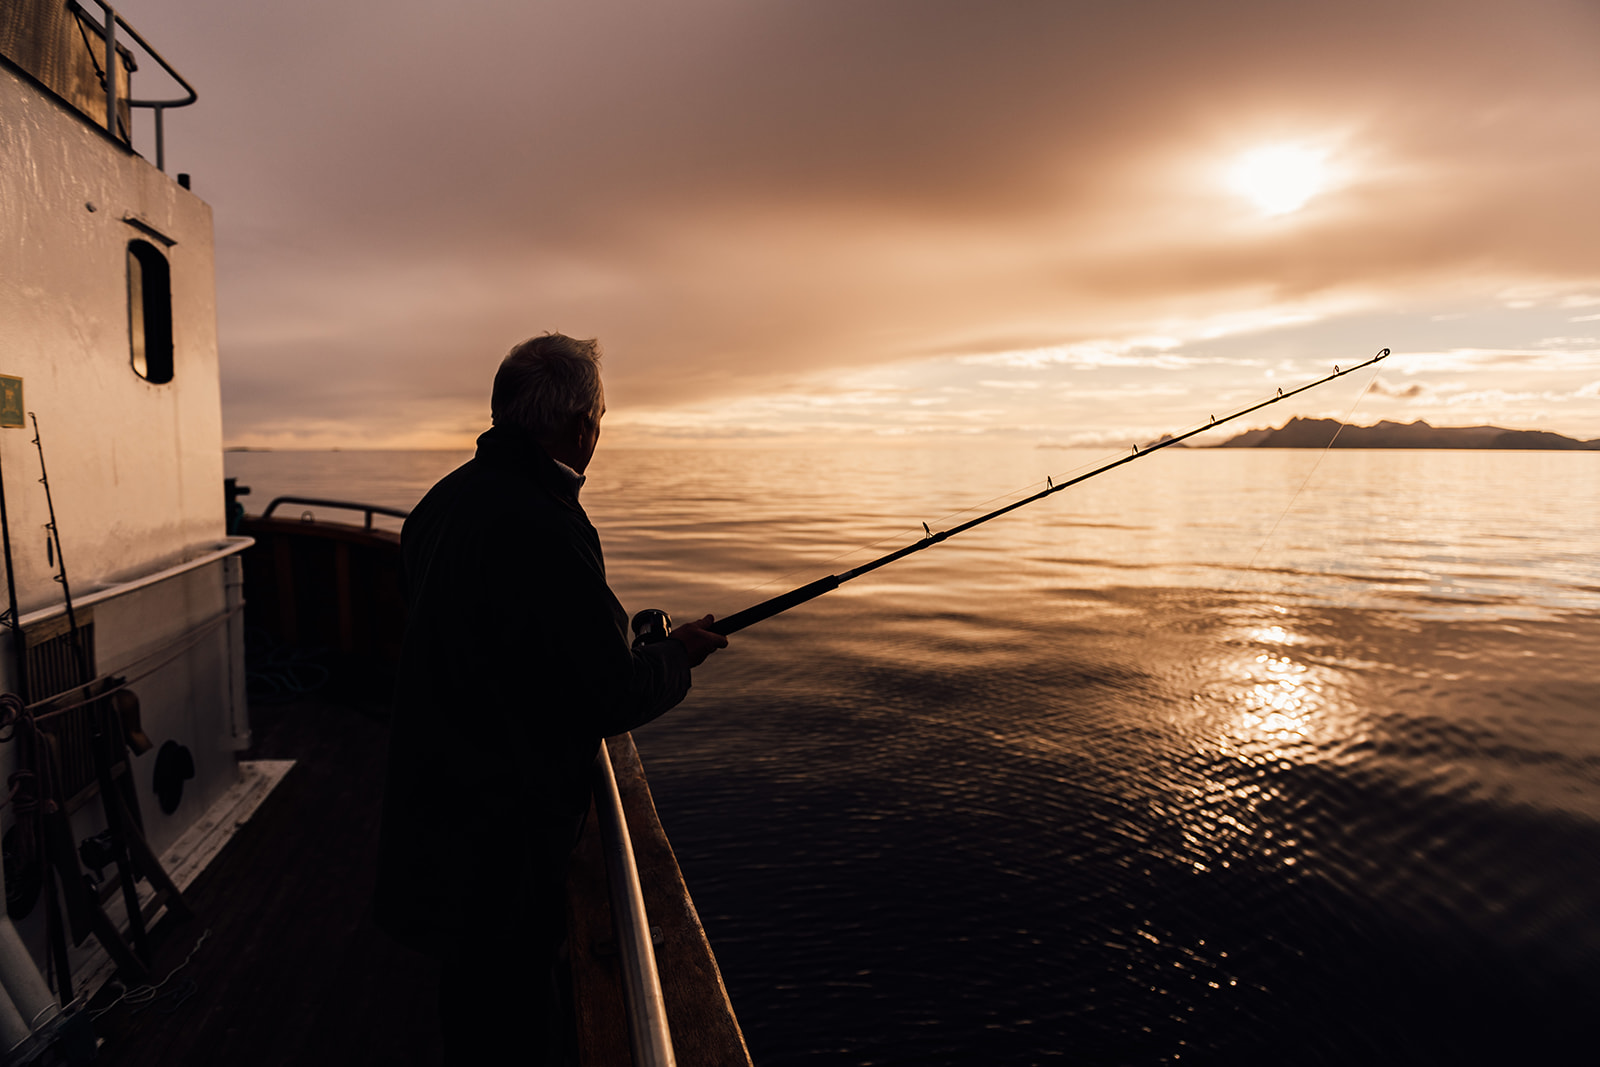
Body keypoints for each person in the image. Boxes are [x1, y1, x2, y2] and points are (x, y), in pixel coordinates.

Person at [373, 333, 727, 1064]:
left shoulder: (441, 503)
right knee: (511, 1018)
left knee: (466, 1006)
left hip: (433, 814)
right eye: (599, 417)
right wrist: (678, 655)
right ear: (580, 426)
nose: (598, 431)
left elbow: (486, 635)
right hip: (499, 841)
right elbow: (612, 689)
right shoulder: (545, 521)